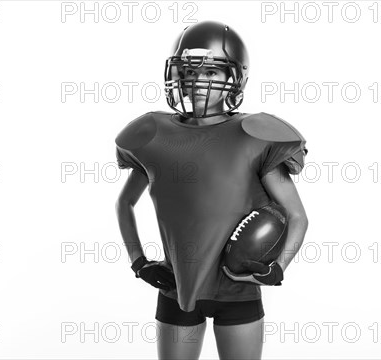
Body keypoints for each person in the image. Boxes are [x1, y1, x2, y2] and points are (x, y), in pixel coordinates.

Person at [114, 21, 309, 360]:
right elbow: (125, 204)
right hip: (177, 287)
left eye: (212, 73)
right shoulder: (152, 133)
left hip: (239, 290)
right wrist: (140, 263)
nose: (197, 82)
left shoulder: (255, 135)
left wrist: (279, 267)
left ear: (236, 78)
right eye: (188, 71)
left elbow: (297, 216)